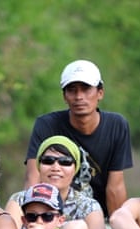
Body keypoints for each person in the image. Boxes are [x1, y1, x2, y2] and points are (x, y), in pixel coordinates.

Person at [24, 60, 133, 220]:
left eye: (86, 89)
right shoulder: (47, 125)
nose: (79, 96)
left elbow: (115, 187)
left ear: (100, 93)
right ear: (64, 96)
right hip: (52, 214)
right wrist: (36, 221)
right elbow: (34, 177)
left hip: (99, 214)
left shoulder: (116, 125)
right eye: (72, 90)